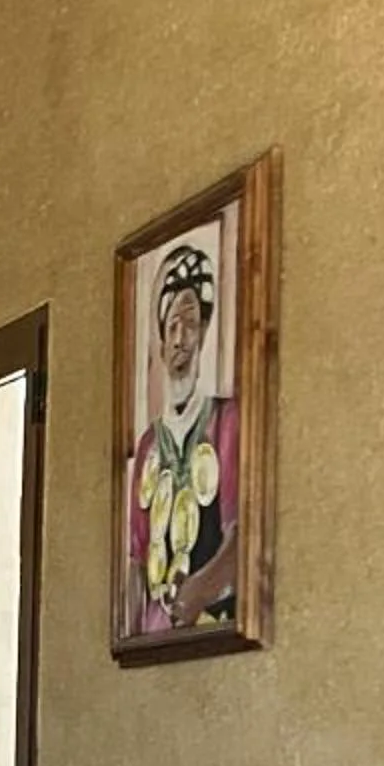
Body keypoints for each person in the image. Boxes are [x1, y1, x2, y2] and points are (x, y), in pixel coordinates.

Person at [126, 240, 241, 633]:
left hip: (212, 616)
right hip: (160, 625)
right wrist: (134, 633)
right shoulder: (148, 446)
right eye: (172, 326)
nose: (180, 339)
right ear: (160, 342)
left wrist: (197, 592)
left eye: (190, 325)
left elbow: (241, 536)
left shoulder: (225, 420)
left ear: (204, 333)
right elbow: (137, 559)